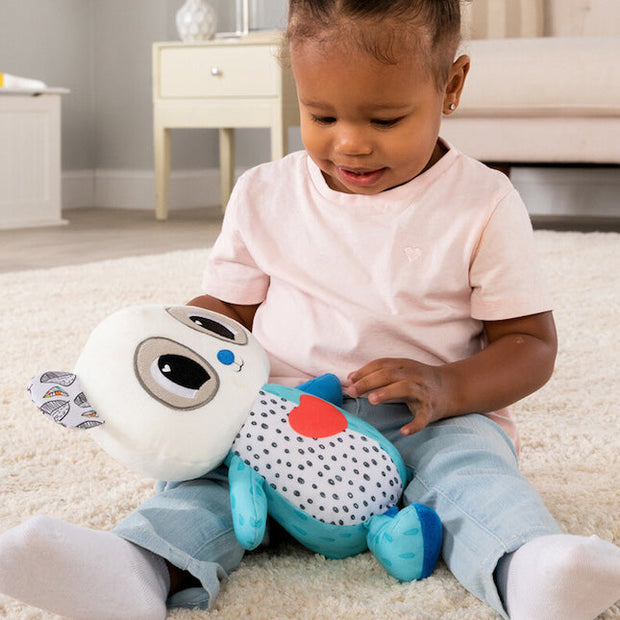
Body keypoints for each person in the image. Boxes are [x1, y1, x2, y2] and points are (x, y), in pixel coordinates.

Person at [1, 1, 619, 618]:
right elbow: (227, 311)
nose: (350, 143)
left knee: (472, 475)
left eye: (385, 119)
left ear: (450, 85)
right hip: (277, 419)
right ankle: (137, 566)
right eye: (321, 115)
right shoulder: (263, 193)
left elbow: (530, 345)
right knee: (203, 484)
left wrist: (448, 386)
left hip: (427, 420)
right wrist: (169, 353)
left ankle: (529, 568)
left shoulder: (483, 202)